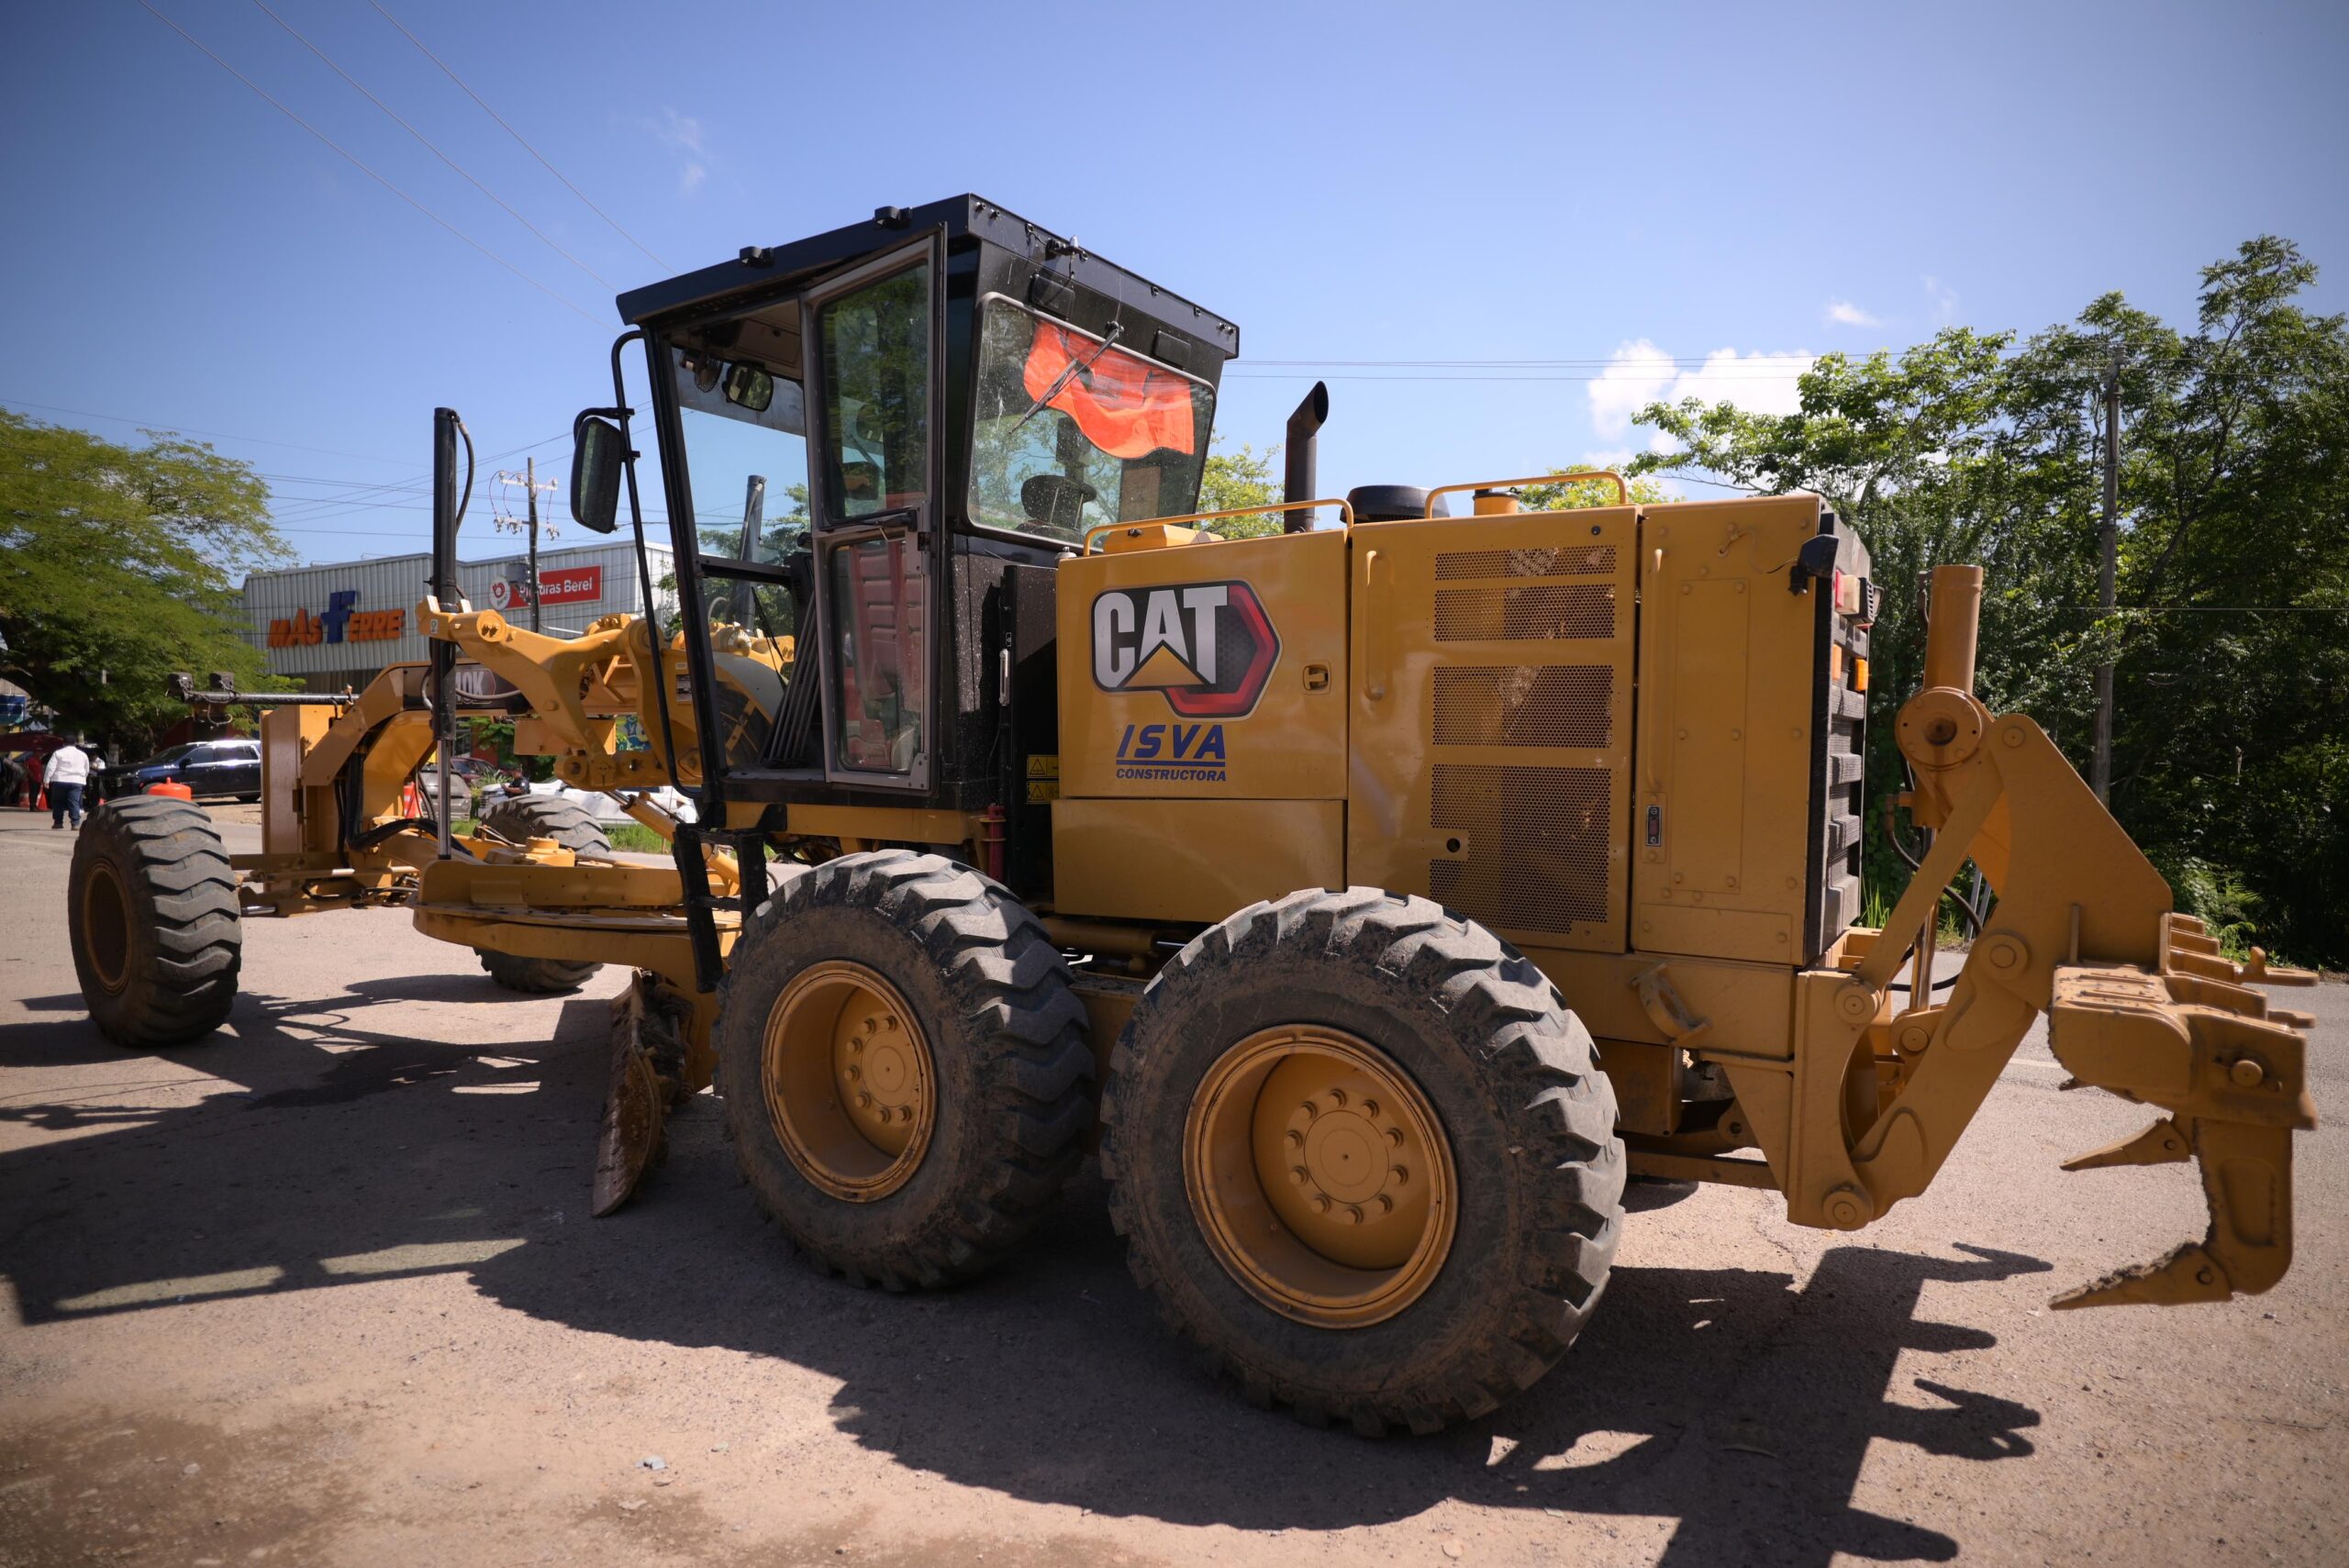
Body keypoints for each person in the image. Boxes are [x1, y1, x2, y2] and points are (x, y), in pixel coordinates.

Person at [46, 740, 92, 830]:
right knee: (74, 802)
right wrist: (82, 779)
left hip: (60, 780)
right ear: (75, 743)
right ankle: (75, 823)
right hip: (76, 781)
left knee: (58, 802)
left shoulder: (58, 753)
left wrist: (46, 780)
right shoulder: (82, 754)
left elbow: (51, 767)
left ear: (64, 743)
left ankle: (58, 823)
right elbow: (86, 769)